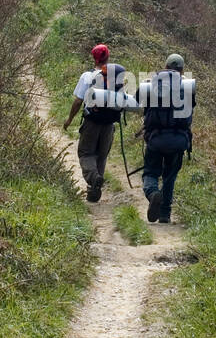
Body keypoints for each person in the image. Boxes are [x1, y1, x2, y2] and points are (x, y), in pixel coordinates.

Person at [63, 43, 125, 202]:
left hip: (91, 123)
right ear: (108, 58)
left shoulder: (87, 76)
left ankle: (94, 178)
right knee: (101, 156)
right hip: (109, 124)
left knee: (86, 153)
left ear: (94, 58)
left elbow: (78, 101)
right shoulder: (115, 76)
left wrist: (70, 119)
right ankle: (94, 192)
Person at [138, 53, 194, 223]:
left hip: (155, 139)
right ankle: (164, 214)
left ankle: (153, 193)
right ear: (182, 69)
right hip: (179, 140)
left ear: (166, 66)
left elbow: (141, 106)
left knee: (150, 171)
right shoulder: (187, 87)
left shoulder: (152, 83)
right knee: (170, 176)